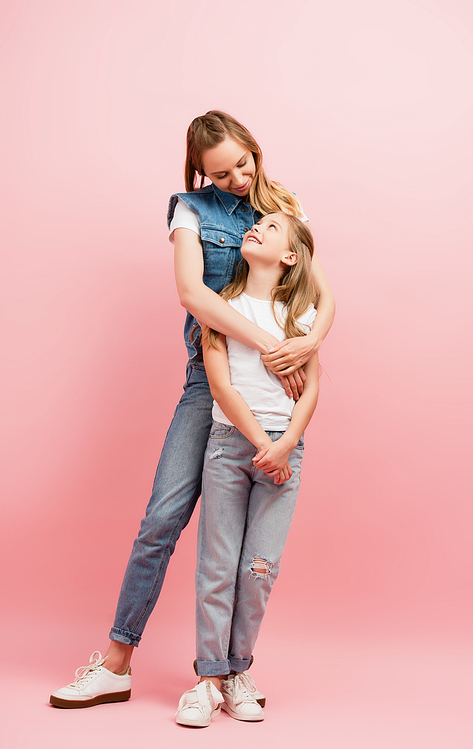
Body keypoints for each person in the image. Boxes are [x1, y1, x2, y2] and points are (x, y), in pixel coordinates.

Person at [50, 111, 334, 709]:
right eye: (219, 172)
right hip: (209, 384)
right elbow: (192, 293)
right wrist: (266, 342)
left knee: (251, 554)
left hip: (270, 388)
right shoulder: (190, 210)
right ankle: (115, 663)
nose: (235, 177)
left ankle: (229, 673)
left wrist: (308, 342)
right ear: (198, 171)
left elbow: (318, 287)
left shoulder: (282, 206)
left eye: (242, 163)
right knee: (162, 517)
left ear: (256, 150)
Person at [176, 212, 319, 727]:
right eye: (257, 225)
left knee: (258, 570)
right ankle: (208, 679)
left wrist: (286, 446)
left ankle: (239, 673)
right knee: (216, 567)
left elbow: (313, 389)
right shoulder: (221, 310)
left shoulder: (300, 318)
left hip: (284, 455)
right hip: (228, 448)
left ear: (290, 257)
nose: (256, 228)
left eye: (273, 228)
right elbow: (221, 386)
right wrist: (263, 443)